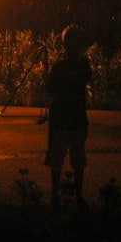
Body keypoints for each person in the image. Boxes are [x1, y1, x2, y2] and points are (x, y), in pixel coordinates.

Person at [44, 24, 93, 211]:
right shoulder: (84, 66)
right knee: (77, 158)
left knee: (58, 158)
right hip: (77, 117)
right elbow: (85, 79)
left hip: (62, 118)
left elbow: (50, 89)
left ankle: (55, 196)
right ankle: (77, 196)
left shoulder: (60, 67)